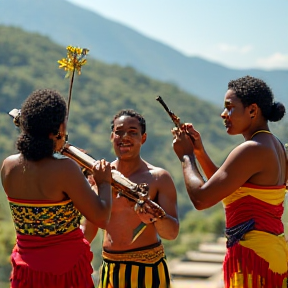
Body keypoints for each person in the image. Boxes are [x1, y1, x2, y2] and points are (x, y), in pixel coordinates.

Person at [171, 75, 288, 288]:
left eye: (230, 107)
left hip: (254, 259)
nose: (223, 114)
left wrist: (186, 157)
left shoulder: (251, 149)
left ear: (252, 110)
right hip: (273, 253)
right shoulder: (275, 145)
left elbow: (202, 199)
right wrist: (199, 151)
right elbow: (227, 188)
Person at [1, 89, 113, 288]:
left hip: (26, 271)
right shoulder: (65, 168)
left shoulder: (8, 166)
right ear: (60, 126)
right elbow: (102, 217)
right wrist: (103, 183)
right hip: (66, 273)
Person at [83, 109, 179, 288]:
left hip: (148, 271)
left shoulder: (159, 178)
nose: (124, 137)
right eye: (119, 132)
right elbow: (88, 232)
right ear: (112, 137)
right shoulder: (101, 177)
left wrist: (155, 217)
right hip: (109, 270)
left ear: (143, 138)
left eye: (132, 132)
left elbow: (171, 233)